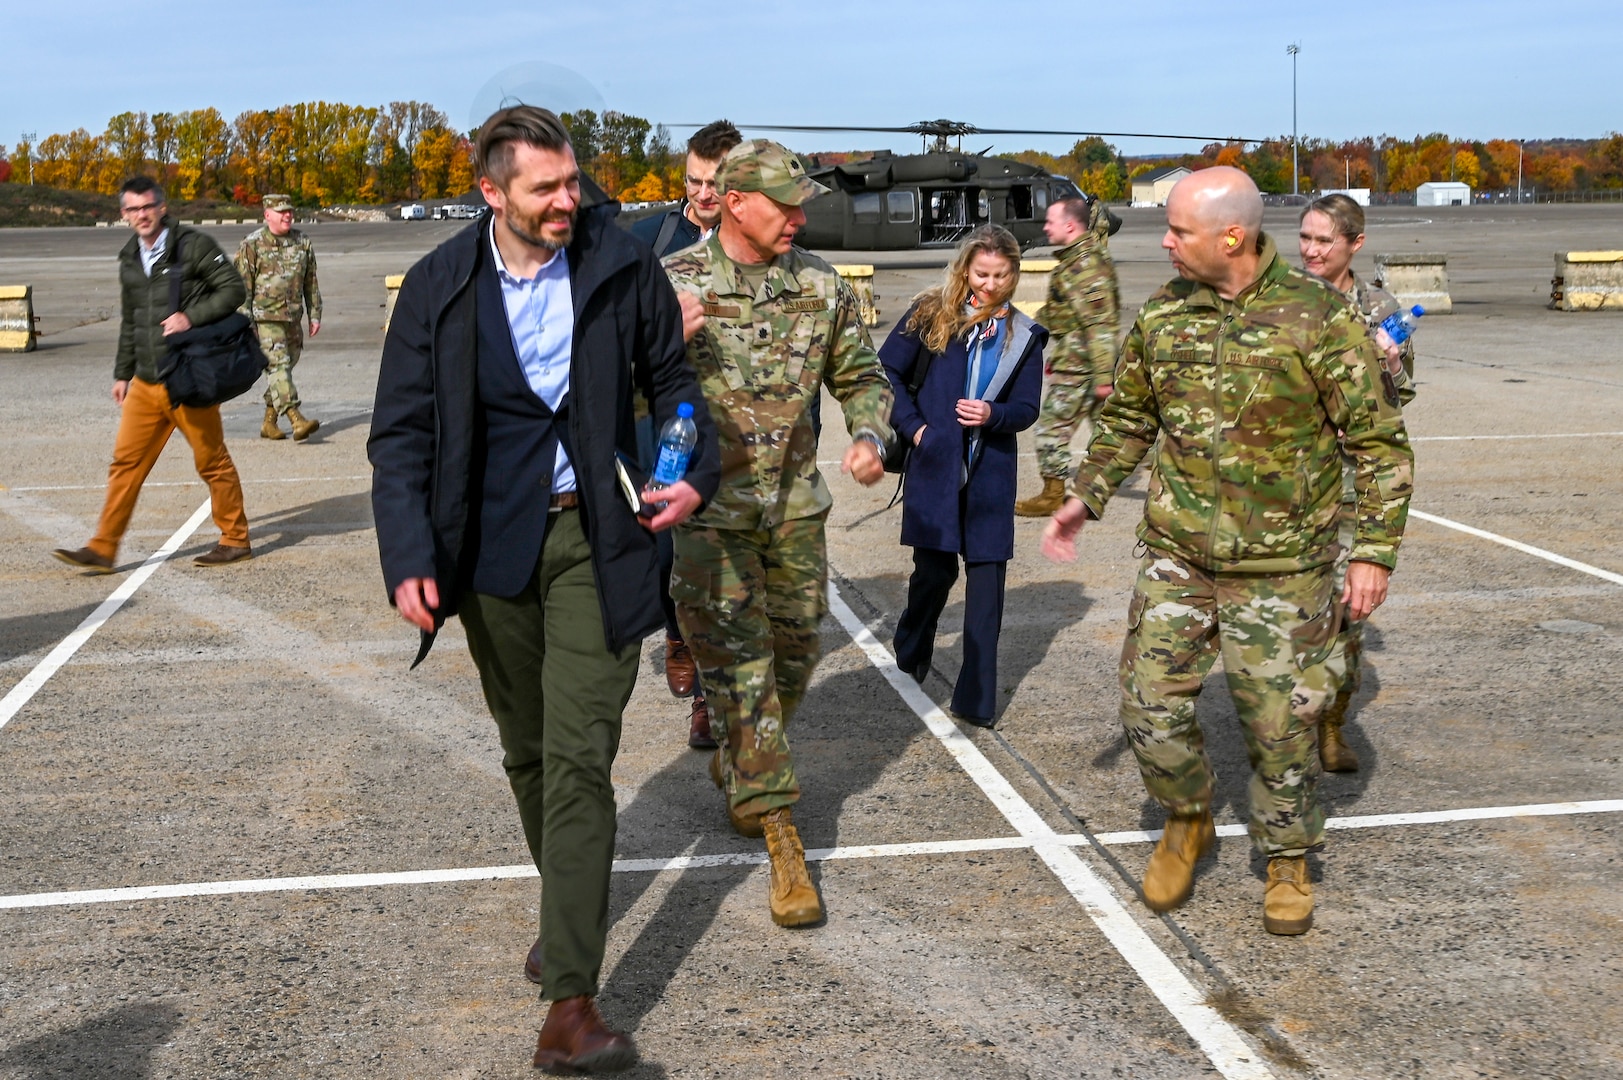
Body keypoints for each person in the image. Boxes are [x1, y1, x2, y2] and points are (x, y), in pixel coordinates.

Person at [368, 105, 717, 1072]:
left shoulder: (618, 264)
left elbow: (674, 382)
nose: (570, 201)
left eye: (573, 182)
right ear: (492, 193)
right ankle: (565, 909)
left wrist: (690, 462)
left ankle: (569, 998)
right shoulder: (439, 287)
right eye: (546, 189)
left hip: (596, 541)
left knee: (577, 760)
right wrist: (408, 555)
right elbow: (399, 434)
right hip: (484, 556)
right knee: (527, 753)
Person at [1042, 167, 1413, 935]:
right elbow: (1128, 421)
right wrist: (1085, 494)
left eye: (1178, 231)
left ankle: (1286, 858)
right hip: (1180, 555)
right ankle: (1186, 817)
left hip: (1282, 568)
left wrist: (1373, 551)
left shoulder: (1315, 318)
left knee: (1279, 724)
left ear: (1231, 238)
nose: (1166, 242)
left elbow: (1376, 441)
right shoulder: (1163, 315)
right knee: (1148, 704)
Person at [661, 139, 893, 928]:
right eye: (785, 205)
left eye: (801, 206)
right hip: (709, 519)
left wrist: (869, 436)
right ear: (733, 201)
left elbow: (861, 376)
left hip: (794, 509)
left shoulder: (820, 286)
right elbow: (620, 389)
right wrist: (654, 338)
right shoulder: (672, 285)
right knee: (743, 671)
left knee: (797, 651)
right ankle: (782, 834)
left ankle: (740, 757)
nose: (799, 218)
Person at [879, 225, 1045, 726]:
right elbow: (886, 371)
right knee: (934, 574)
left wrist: (994, 416)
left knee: (987, 585)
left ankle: (976, 701)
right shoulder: (932, 313)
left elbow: (1028, 408)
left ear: (1014, 273)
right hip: (934, 465)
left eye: (1001, 275)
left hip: (991, 475)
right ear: (964, 269)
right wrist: (914, 429)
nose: (991, 284)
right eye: (982, 273)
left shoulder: (1026, 335)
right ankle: (912, 639)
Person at [52, 176, 252, 573]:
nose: (142, 214)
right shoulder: (129, 257)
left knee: (210, 460)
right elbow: (132, 320)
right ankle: (102, 547)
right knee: (125, 464)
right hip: (145, 381)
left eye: (148, 206)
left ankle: (235, 538)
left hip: (186, 377)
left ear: (162, 207)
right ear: (123, 215)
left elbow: (233, 291)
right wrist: (122, 373)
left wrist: (189, 317)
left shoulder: (192, 246)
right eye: (133, 209)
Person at [628, 120, 742, 750]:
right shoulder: (648, 241)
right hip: (667, 427)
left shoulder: (759, 247)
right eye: (693, 180)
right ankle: (676, 632)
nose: (701, 193)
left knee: (724, 568)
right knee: (669, 552)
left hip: (735, 429)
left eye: (714, 182)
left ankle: (708, 699)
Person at [1298, 193, 1416, 773]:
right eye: (1306, 238)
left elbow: (1399, 403)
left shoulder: (1379, 307)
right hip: (1285, 488)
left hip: (1347, 491)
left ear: (1354, 244)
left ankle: (1332, 725)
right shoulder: (1280, 299)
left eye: (1324, 240)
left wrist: (1388, 363)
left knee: (1344, 619)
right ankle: (1283, 730)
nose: (1312, 250)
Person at [1013, 195, 1120, 517]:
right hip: (1077, 360)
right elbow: (1062, 313)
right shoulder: (1075, 262)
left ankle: (1053, 494)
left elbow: (1100, 323)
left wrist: (1103, 378)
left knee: (1050, 429)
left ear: (1070, 226)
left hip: (1082, 367)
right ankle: (1095, 488)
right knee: (1108, 430)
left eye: (1050, 222)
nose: (1045, 227)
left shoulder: (1085, 266)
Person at [236, 193, 323, 441]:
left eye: (290, 211)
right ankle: (296, 418)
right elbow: (242, 288)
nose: (288, 215)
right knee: (278, 366)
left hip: (293, 317)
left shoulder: (302, 241)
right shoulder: (252, 245)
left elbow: (311, 281)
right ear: (267, 215)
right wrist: (246, 323)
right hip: (264, 318)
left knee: (285, 368)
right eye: (281, 211)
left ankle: (269, 422)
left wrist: (314, 314)